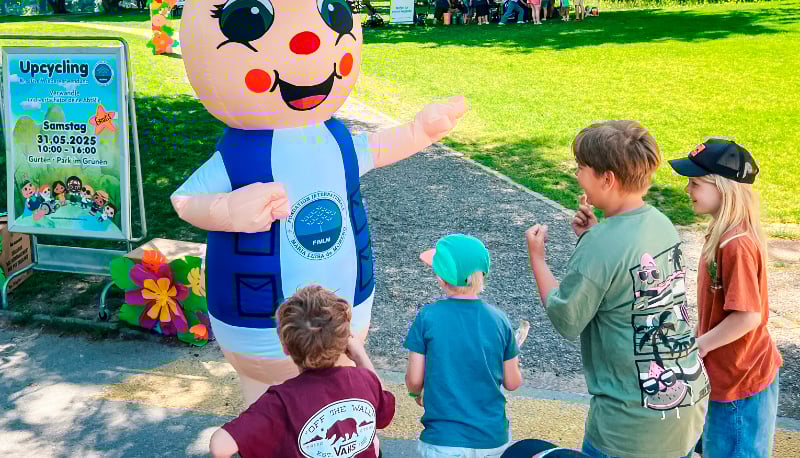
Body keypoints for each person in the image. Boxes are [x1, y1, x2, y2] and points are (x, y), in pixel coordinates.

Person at [526, 120, 710, 458]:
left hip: (630, 427)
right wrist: (591, 236)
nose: (577, 175)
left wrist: (538, 258)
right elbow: (633, 278)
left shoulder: (601, 244)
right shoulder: (660, 222)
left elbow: (566, 317)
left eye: (582, 167)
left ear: (607, 178)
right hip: (685, 404)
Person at [669, 139, 782, 458]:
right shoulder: (722, 233)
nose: (688, 189)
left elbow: (748, 316)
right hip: (725, 378)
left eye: (695, 183)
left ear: (723, 187)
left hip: (740, 384)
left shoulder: (735, 244)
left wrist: (700, 345)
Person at [209, 285, 396, 458]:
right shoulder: (363, 379)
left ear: (285, 347)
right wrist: (360, 355)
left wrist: (255, 419)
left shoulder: (280, 402)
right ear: (345, 341)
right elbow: (384, 414)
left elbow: (220, 447)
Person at [405, 234, 524, 458]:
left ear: (441, 277)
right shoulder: (500, 320)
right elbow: (512, 382)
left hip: (444, 440)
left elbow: (414, 379)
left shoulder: (427, 317)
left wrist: (416, 395)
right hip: (492, 439)